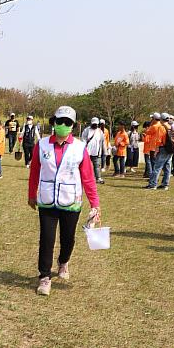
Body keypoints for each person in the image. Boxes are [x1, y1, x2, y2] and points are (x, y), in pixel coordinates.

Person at [28, 106, 100, 297]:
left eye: (67, 122)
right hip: (47, 200)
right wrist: (31, 194)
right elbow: (35, 170)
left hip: (71, 201)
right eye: (59, 121)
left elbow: (88, 177)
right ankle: (44, 276)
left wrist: (95, 203)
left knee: (68, 238)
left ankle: (63, 262)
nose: (62, 125)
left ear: (73, 126)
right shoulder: (42, 145)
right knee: (47, 239)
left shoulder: (79, 147)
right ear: (54, 122)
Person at [143, 113, 168, 190]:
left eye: (152, 118)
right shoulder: (166, 126)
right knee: (166, 167)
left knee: (155, 166)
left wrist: (151, 123)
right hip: (167, 148)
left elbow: (147, 131)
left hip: (156, 148)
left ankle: (153, 183)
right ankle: (165, 184)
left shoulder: (155, 126)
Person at [81, 117, 106, 184]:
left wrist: (103, 151)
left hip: (96, 152)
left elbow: (102, 141)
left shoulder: (100, 131)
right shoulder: (86, 130)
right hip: (87, 152)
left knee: (97, 166)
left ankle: (98, 178)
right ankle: (85, 178)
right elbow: (83, 139)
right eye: (94, 124)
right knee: (86, 166)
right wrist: (85, 145)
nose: (95, 125)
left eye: (96, 124)